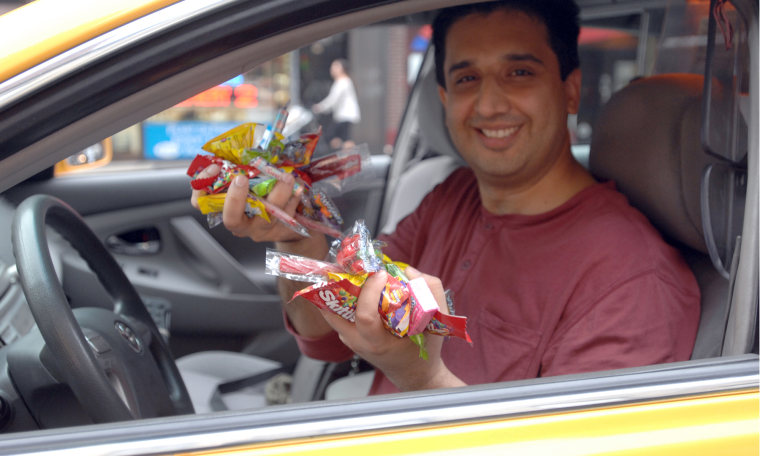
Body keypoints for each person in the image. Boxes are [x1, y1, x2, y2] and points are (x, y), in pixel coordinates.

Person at [191, 0, 700, 396]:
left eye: (519, 72)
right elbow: (325, 334)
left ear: (569, 90)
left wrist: (423, 377)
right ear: (445, 99)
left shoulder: (633, 280)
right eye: (467, 78)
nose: (490, 102)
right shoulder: (451, 197)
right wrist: (294, 239)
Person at [311, 58, 361, 150]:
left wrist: (319, 107)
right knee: (341, 138)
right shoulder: (344, 81)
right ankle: (346, 156)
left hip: (345, 116)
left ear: (342, 68)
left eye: (335, 66)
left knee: (333, 136)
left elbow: (333, 99)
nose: (332, 69)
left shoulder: (343, 81)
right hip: (344, 116)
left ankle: (349, 157)